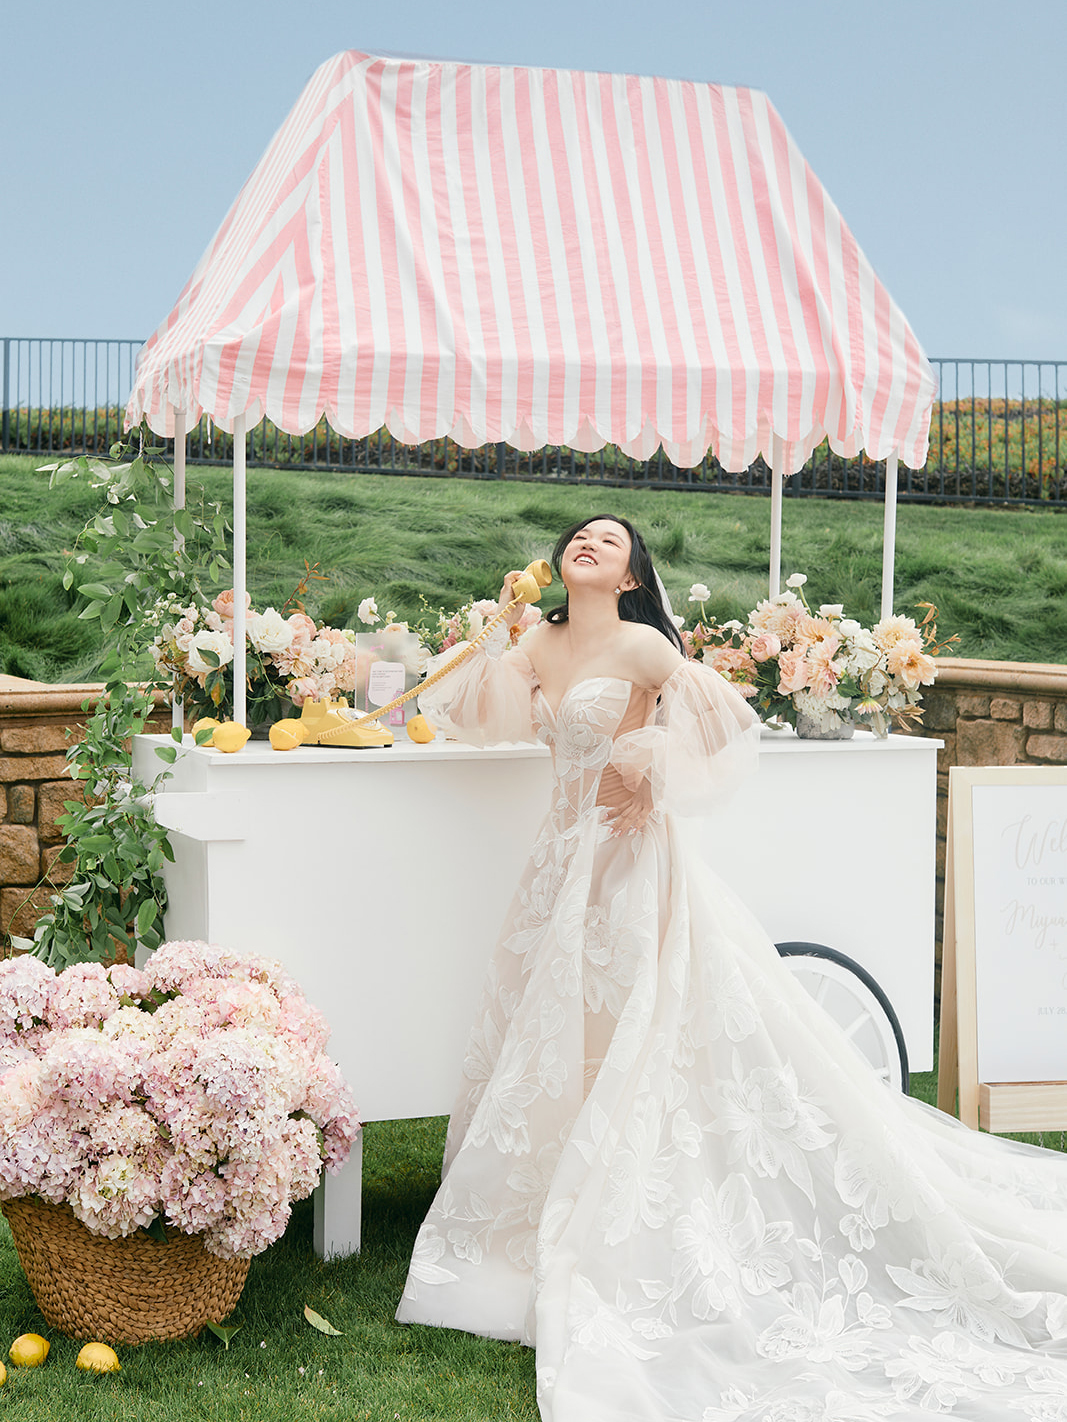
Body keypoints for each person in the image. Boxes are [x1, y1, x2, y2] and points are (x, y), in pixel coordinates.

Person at [397, 514, 1067, 1422]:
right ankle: (549, 1193)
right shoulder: (538, 642)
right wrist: (494, 631)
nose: (588, 542)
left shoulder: (641, 645)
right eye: (578, 535)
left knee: (632, 1027)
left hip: (627, 864)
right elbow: (475, 712)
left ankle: (622, 1199)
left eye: (608, 539)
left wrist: (648, 770)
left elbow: (720, 727)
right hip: (558, 861)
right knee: (556, 1030)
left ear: (631, 576)